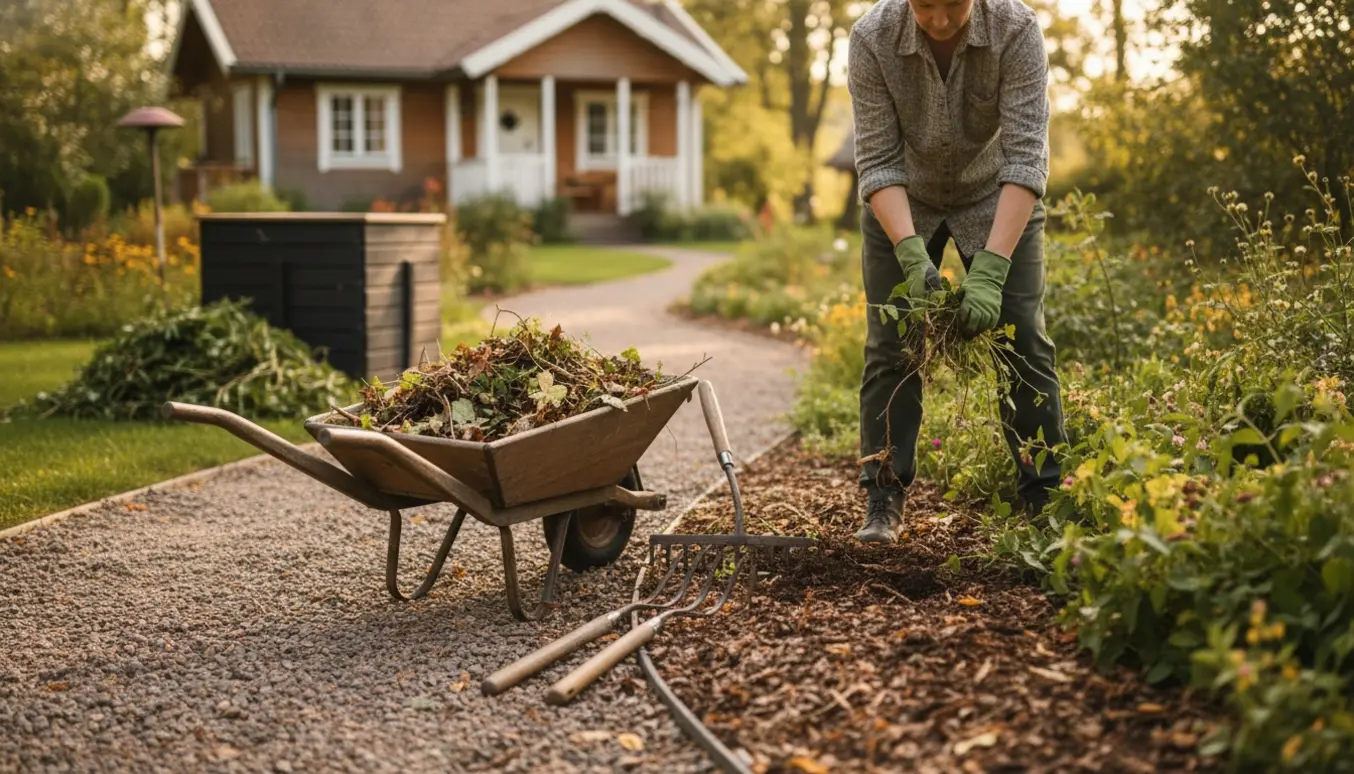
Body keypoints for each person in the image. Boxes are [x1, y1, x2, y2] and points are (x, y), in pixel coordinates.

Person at [845, 0, 1067, 543]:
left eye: (954, 5)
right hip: (903, 198)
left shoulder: (1016, 31)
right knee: (891, 345)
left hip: (996, 195)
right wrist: (912, 255)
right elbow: (877, 160)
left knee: (1022, 340)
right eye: (925, 7)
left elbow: (1024, 158)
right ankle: (884, 497)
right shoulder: (871, 38)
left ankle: (1044, 496)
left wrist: (990, 270)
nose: (940, 20)